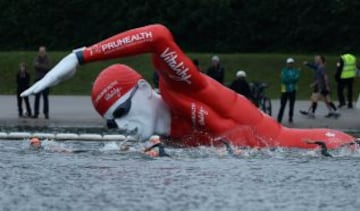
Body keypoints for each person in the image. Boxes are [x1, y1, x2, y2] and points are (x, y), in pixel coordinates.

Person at [21, 24, 355, 150]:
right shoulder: (162, 139)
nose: (121, 126)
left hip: (317, 149)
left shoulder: (180, 88)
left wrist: (80, 56)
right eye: (112, 122)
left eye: (121, 111)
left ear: (141, 89)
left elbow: (157, 36)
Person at [277, 58, 300, 123]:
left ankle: (290, 117)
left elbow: (297, 78)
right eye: (289, 63)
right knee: (283, 105)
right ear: (287, 64)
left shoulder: (295, 70)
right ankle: (279, 118)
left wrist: (290, 79)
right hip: (285, 90)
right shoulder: (284, 70)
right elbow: (284, 80)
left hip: (293, 90)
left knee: (291, 105)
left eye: (291, 63)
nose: (290, 64)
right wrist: (292, 79)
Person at [32, 46, 51, 119]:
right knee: (37, 97)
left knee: (45, 97)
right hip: (38, 80)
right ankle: (36, 113)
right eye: (40, 52)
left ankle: (46, 113)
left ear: (45, 52)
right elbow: (35, 65)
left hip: (45, 80)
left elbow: (48, 68)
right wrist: (42, 67)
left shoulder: (48, 59)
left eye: (43, 52)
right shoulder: (36, 58)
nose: (41, 53)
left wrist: (39, 66)